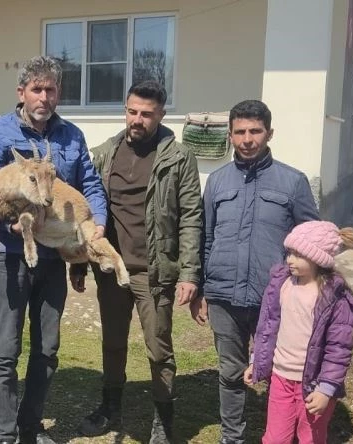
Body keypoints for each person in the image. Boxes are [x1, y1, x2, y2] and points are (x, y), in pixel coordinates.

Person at [0, 55, 107, 444]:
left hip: (53, 258)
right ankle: (3, 434)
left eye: (50, 89)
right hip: (11, 257)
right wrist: (8, 223)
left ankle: (30, 427)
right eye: (37, 89)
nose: (44, 97)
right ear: (22, 92)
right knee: (6, 350)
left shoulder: (71, 136)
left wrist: (97, 221)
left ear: (58, 93)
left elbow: (90, 183)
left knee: (47, 349)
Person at [73, 80, 203, 443]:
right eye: (132, 111)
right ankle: (110, 407)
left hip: (154, 273)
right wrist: (80, 262)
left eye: (146, 114)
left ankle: (163, 420)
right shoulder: (104, 154)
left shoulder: (179, 158)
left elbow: (191, 217)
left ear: (161, 114)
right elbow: (86, 214)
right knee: (113, 342)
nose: (137, 119)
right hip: (112, 269)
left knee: (159, 349)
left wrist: (190, 273)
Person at [193, 99, 319, 444]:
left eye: (255, 131)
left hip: (275, 298)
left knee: (283, 373)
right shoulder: (217, 181)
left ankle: (280, 434)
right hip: (223, 296)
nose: (247, 139)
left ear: (269, 133)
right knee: (230, 372)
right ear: (230, 135)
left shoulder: (293, 182)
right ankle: (231, 437)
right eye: (239, 132)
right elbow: (206, 237)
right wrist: (201, 288)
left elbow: (311, 241)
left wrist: (309, 290)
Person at [245, 221, 353, 444]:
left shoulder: (334, 297)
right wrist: (256, 361)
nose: (290, 259)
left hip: (313, 383)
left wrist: (326, 389)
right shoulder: (281, 284)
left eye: (298, 255)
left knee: (310, 438)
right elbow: (267, 327)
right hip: (280, 377)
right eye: (289, 253)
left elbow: (339, 349)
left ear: (317, 259)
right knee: (275, 439)